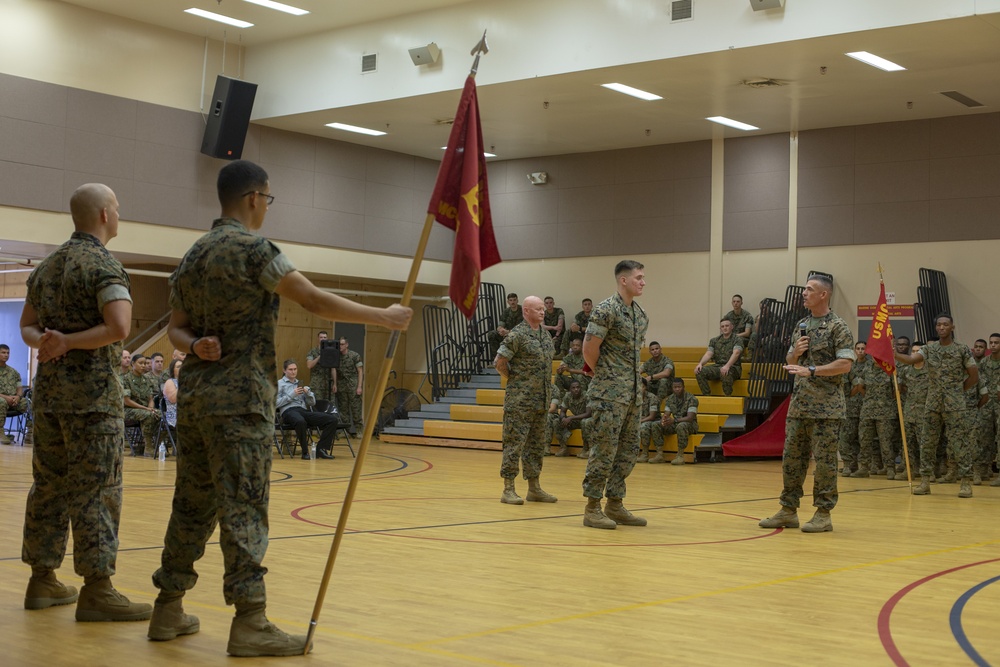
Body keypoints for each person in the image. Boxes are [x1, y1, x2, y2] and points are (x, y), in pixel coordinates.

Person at [147, 160, 411, 656]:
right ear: (253, 198)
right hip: (241, 401)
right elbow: (311, 300)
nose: (266, 207)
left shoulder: (194, 255)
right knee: (244, 508)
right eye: (268, 199)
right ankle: (249, 621)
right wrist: (384, 316)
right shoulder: (254, 250)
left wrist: (197, 342)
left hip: (199, 400)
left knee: (192, 503)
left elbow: (176, 328)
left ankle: (168, 606)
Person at [20, 183, 152, 620]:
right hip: (93, 402)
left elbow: (28, 326)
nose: (119, 215)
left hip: (51, 400)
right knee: (97, 490)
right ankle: (97, 589)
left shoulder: (47, 268)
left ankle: (43, 579)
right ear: (103, 215)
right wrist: (72, 343)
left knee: (50, 487)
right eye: (117, 208)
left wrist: (51, 342)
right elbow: (118, 327)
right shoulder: (103, 265)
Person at [759, 274, 854, 533]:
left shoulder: (838, 327)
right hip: (800, 405)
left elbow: (845, 365)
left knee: (824, 463)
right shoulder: (801, 324)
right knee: (792, 459)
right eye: (804, 289)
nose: (804, 293)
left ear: (823, 294)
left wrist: (811, 369)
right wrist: (796, 353)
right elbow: (791, 359)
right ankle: (788, 510)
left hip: (827, 408)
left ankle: (823, 514)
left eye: (809, 289)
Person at [581, 260, 649, 530]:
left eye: (644, 278)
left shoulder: (640, 314)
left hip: (632, 395)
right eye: (639, 277)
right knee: (604, 449)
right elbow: (589, 349)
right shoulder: (606, 310)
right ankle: (592, 507)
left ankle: (615, 503)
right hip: (609, 394)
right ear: (624, 280)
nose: (643, 282)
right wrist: (605, 375)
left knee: (629, 450)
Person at [894, 314, 978, 498]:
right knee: (927, 443)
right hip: (932, 404)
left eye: (945, 324)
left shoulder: (961, 349)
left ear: (952, 327)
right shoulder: (929, 349)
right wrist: (893, 354)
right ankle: (925, 481)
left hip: (954, 405)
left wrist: (957, 392)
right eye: (939, 325)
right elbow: (910, 360)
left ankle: (965, 482)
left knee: (959, 443)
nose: (941, 327)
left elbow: (973, 376)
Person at [495, 295, 557, 504]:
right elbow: (500, 361)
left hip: (541, 401)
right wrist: (515, 381)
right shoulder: (517, 335)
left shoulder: (545, 336)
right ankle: (508, 488)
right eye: (538, 309)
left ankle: (534, 487)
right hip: (520, 401)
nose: (542, 312)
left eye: (543, 309)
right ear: (526, 311)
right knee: (514, 444)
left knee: (536, 445)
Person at [277, 359, 340, 460]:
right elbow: (275, 404)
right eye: (290, 369)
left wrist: (309, 394)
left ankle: (321, 449)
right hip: (288, 411)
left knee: (332, 420)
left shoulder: (300, 383)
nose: (293, 372)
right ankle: (305, 451)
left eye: (295, 369)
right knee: (300, 421)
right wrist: (292, 394)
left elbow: (312, 403)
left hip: (302, 410)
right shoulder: (279, 384)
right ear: (284, 371)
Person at [856, 351, 902, 479]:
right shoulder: (867, 368)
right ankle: (864, 467)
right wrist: (871, 399)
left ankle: (890, 468)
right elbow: (860, 386)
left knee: (886, 441)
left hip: (885, 412)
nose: (877, 358)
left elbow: (896, 390)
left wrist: (885, 401)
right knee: (864, 439)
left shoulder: (890, 369)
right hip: (868, 410)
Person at [897, 341, 928, 479]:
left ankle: (926, 472)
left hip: (925, 413)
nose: (916, 354)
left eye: (919, 351)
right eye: (913, 351)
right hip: (909, 411)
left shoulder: (930, 371)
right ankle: (909, 470)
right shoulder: (906, 370)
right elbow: (901, 387)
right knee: (908, 443)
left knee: (925, 444)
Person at [654, 378, 700, 465]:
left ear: (683, 387)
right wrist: (664, 419)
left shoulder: (692, 399)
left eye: (679, 387)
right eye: (675, 387)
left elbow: (690, 417)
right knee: (656, 424)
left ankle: (680, 456)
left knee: (681, 426)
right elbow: (667, 413)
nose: (677, 389)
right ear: (672, 388)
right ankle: (659, 454)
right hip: (675, 423)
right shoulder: (670, 399)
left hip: (690, 425)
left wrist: (674, 420)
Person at [839, 341, 868, 476]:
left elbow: (860, 385)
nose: (860, 351)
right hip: (846, 409)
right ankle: (848, 465)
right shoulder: (848, 366)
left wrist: (853, 393)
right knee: (845, 438)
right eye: (858, 348)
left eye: (863, 348)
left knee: (859, 439)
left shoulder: (867, 366)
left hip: (862, 408)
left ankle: (856, 465)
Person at [695, 318, 743, 396]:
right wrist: (700, 364)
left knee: (725, 372)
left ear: (732, 327)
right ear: (720, 328)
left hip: (733, 368)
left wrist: (727, 366)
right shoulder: (714, 340)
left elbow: (736, 353)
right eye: (722, 326)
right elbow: (708, 354)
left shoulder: (737, 339)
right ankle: (707, 396)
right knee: (700, 371)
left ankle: (727, 397)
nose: (725, 328)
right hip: (718, 367)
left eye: (727, 326)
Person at [123, 353, 161, 455]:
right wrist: (145, 409)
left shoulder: (146, 379)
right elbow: (126, 401)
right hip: (128, 410)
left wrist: (151, 408)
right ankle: (148, 447)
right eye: (140, 363)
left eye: (144, 363)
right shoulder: (126, 379)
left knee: (161, 415)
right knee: (148, 415)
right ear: (133, 364)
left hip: (144, 409)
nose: (143, 365)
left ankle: (156, 445)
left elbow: (150, 398)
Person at [552, 380, 593, 458]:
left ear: (581, 388)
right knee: (556, 421)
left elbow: (588, 413)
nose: (576, 389)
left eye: (578, 387)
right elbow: (563, 411)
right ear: (570, 390)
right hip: (576, 420)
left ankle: (586, 449)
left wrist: (571, 417)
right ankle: (563, 448)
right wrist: (563, 418)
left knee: (584, 422)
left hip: (587, 419)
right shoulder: (567, 396)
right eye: (573, 388)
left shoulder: (586, 395)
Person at [333, 337, 363, 435]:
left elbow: (360, 371)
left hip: (353, 385)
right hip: (342, 385)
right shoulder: (336, 356)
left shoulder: (354, 355)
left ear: (346, 345)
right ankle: (346, 430)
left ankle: (359, 430)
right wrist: (335, 384)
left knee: (356, 408)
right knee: (343, 409)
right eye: (339, 345)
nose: (340, 346)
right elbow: (334, 371)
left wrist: (359, 386)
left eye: (342, 344)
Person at [0, 343, 28, 444]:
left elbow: (19, 388)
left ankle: (30, 432)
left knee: (27, 402)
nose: (6, 355)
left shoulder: (14, 372)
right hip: (2, 400)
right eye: (3, 352)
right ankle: (1, 432)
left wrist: (18, 397)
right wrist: (5, 397)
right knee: (1, 401)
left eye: (8, 353)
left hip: (13, 401)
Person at [488, 293, 523, 359]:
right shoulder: (506, 311)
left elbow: (524, 327)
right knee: (492, 334)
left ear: (517, 300)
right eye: (511, 300)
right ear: (508, 302)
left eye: (514, 300)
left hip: (520, 333)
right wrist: (501, 330)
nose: (512, 302)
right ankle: (497, 359)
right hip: (507, 333)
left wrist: (508, 331)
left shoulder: (523, 310)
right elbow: (501, 324)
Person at [305, 331, 335, 403]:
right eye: (321, 337)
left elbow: (333, 368)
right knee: (318, 405)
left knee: (330, 405)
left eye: (325, 337)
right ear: (318, 339)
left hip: (328, 384)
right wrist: (320, 356)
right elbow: (309, 365)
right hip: (317, 385)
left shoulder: (331, 352)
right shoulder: (312, 352)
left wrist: (335, 383)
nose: (323, 339)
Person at [162, 358, 182, 428]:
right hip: (175, 414)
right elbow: (173, 399)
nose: (181, 368)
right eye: (178, 367)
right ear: (172, 370)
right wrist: (183, 383)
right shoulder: (170, 382)